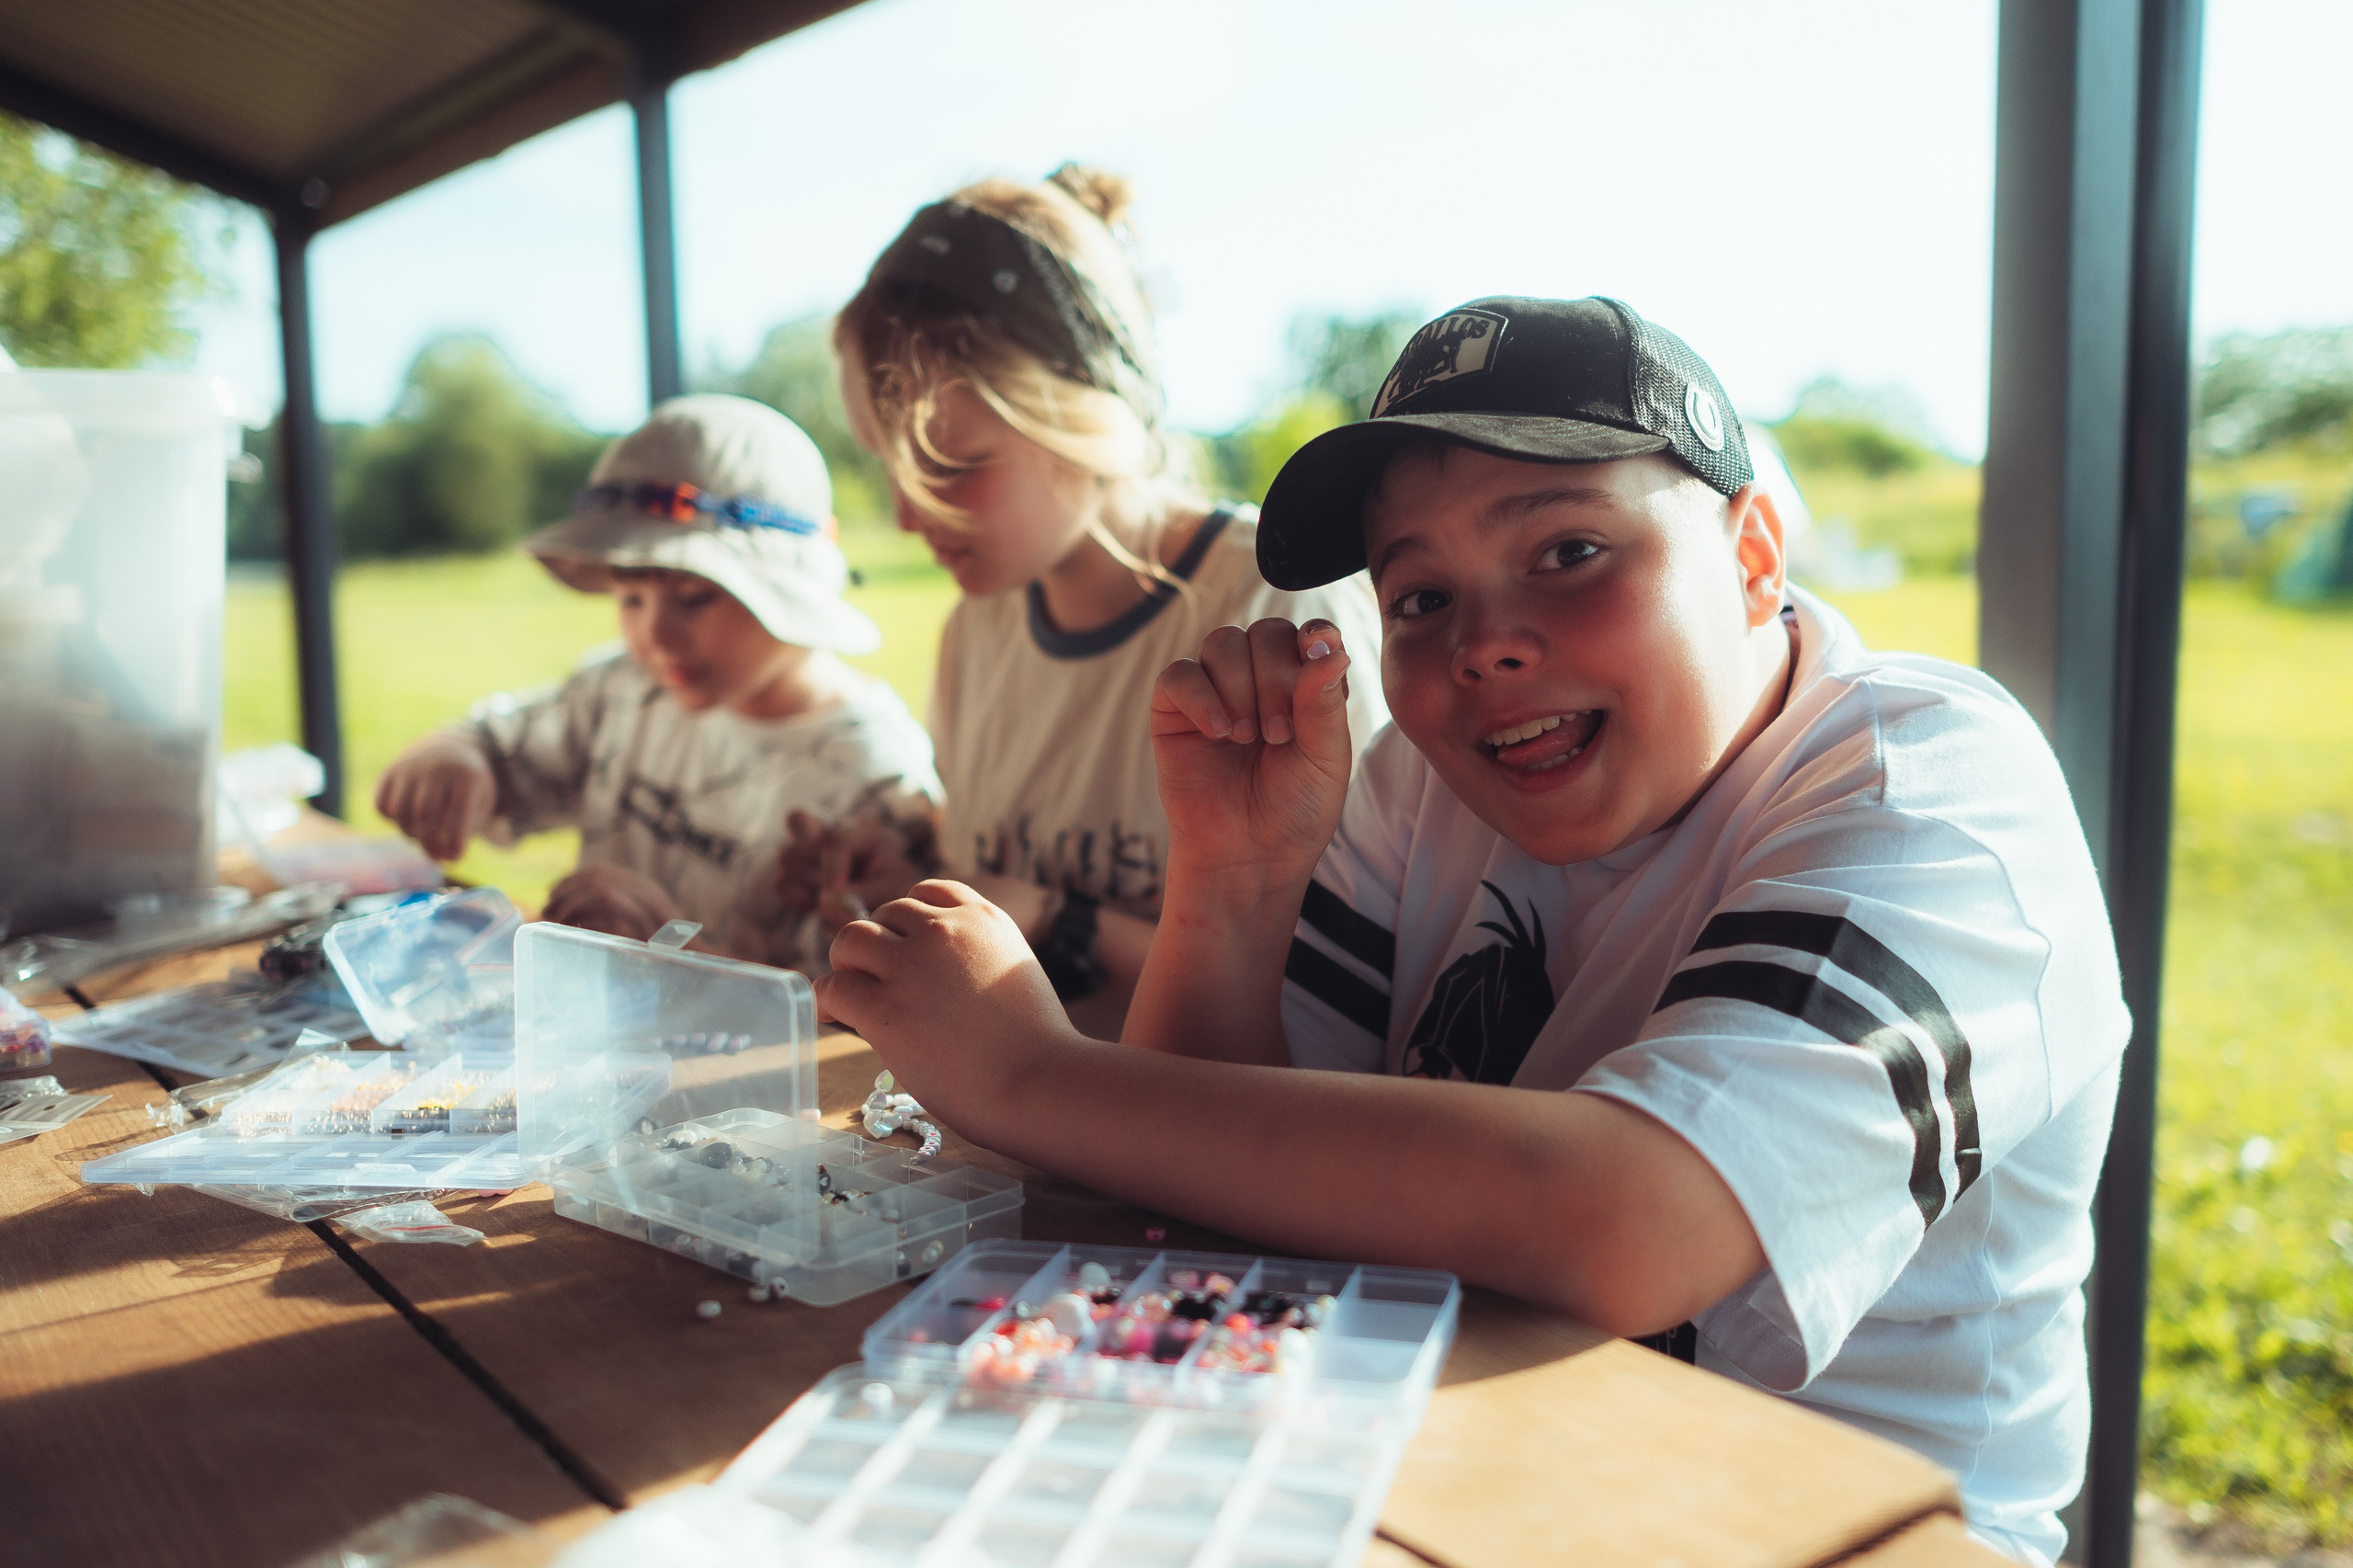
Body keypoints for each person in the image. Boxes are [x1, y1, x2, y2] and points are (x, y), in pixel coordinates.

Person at [811, 298, 2129, 1565]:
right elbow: (1199, 1201)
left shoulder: (1930, 787)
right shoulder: (1423, 783)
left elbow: (1634, 1222)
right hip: (1460, 1452)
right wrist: (1235, 886)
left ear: (1751, 558)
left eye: (1570, 553)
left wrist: (1033, 1077)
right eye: (1421, 596)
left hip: (1818, 1522)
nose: (1488, 642)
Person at [796, 165, 1387, 1030]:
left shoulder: (1275, 601)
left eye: (951, 469)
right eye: (884, 467)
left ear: (1091, 415)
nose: (904, 518)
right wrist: (912, 874)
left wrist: (1050, 924)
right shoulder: (979, 627)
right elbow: (995, 872)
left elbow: (1356, 990)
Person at [375, 394, 939, 968]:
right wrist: (456, 754)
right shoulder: (624, 691)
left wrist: (675, 951)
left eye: (695, 597)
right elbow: (503, 747)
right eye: (630, 597)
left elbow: (864, 1014)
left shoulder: (875, 780)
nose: (656, 637)